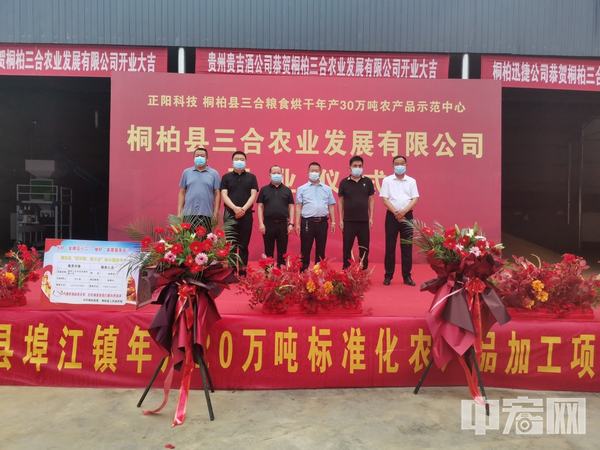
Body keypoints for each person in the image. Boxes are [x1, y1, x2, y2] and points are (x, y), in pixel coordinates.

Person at [380, 155, 419, 286]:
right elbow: (384, 199)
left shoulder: (411, 181)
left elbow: (415, 199)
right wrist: (396, 212)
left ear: (406, 165)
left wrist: (404, 212)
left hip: (407, 216)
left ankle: (407, 276)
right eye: (397, 163)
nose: (399, 165)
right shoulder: (387, 180)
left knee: (407, 247)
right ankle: (388, 275)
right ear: (393, 165)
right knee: (390, 246)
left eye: (402, 163)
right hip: (392, 216)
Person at [220, 151, 258, 276]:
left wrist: (243, 209)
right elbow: (224, 195)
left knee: (243, 244)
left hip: (246, 215)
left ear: (246, 161)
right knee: (231, 244)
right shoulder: (226, 177)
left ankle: (242, 270)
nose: (239, 161)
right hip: (230, 214)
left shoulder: (251, 177)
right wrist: (235, 208)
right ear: (232, 162)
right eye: (237, 159)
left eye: (242, 159)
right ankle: (231, 271)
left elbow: (253, 195)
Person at [295, 162, 336, 271]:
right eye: (312, 171)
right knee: (305, 248)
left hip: (322, 222)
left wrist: (333, 222)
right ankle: (303, 272)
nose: (314, 173)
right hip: (307, 222)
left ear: (320, 172)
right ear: (308, 172)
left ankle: (319, 272)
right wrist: (297, 223)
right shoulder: (302, 189)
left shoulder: (327, 189)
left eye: (316, 171)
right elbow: (298, 207)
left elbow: (331, 205)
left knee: (321, 249)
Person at [338, 156, 375, 270]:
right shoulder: (344, 182)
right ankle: (347, 270)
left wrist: (371, 217)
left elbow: (371, 200)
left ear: (363, 167)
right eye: (355, 166)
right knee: (347, 247)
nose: (357, 168)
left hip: (363, 220)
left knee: (364, 247)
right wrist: (341, 219)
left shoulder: (367, 181)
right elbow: (340, 202)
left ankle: (363, 270)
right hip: (348, 221)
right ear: (349, 168)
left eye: (360, 166)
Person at [256, 165, 295, 267]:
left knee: (282, 251)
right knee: (268, 251)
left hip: (283, 224)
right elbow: (260, 206)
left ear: (282, 175)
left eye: (278, 173)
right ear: (269, 175)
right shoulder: (264, 190)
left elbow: (291, 207)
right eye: (274, 173)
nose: (276, 175)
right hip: (268, 224)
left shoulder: (287, 190)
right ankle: (269, 272)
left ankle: (281, 272)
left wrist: (291, 223)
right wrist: (261, 223)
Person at [178, 147, 220, 229]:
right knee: (188, 237)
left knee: (205, 237)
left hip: (207, 214)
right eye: (197, 156)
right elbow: (182, 192)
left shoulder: (214, 173)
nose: (199, 157)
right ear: (193, 157)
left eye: (202, 156)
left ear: (207, 158)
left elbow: (217, 194)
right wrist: (179, 212)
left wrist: (215, 214)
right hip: (189, 214)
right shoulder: (186, 172)